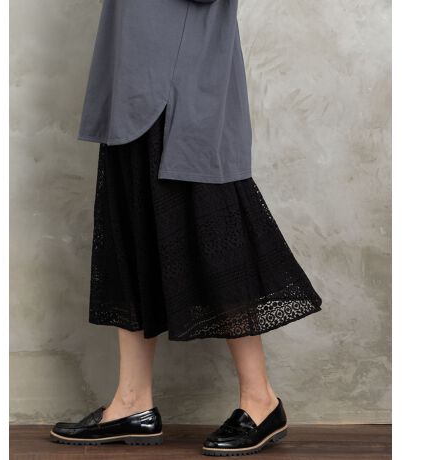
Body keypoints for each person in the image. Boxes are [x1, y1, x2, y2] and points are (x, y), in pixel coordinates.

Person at [50, 0, 322, 456]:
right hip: (130, 72)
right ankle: (132, 400)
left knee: (212, 232)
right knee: (131, 230)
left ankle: (260, 400)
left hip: (181, 75)